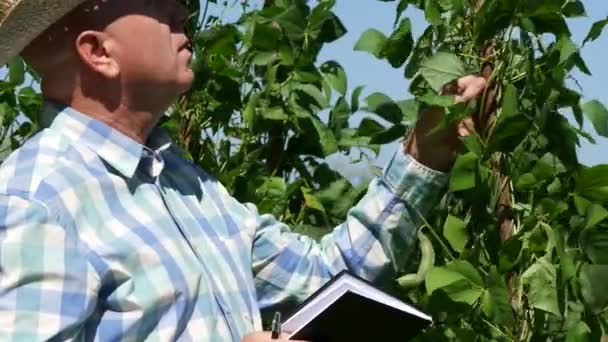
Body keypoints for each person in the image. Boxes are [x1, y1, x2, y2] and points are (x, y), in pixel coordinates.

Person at [0, 0, 486, 340]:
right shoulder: (38, 201)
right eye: (153, 0)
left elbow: (323, 279)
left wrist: (423, 154)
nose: (181, 9)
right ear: (98, 52)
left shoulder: (189, 187)